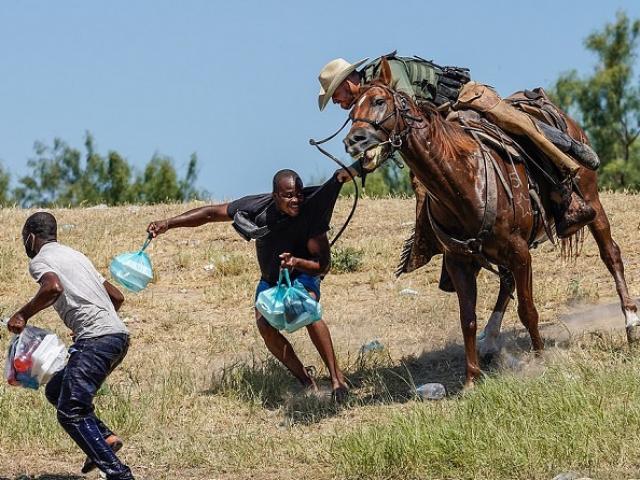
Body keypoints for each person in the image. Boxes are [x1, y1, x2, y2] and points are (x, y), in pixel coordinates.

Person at [317, 53, 601, 240]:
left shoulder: (385, 72)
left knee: (517, 127)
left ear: (348, 82)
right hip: (440, 124)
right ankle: (440, 241)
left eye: (336, 95)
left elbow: (406, 116)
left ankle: (566, 176)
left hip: (463, 100)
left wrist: (362, 163)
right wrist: (358, 164)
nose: (338, 103)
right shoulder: (367, 103)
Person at [147, 168, 356, 400]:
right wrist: (168, 223)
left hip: (303, 274)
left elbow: (323, 266)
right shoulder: (257, 207)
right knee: (265, 327)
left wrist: (296, 262)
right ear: (275, 195)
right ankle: (306, 381)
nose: (296, 200)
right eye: (288, 196)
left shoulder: (311, 213)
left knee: (305, 309)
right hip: (270, 280)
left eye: (298, 194)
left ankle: (338, 380)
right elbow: (209, 214)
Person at [7, 212, 134, 480]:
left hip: (97, 340)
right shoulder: (76, 256)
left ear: (30, 237)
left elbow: (53, 288)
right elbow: (117, 296)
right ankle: (104, 438)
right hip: (117, 337)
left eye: (24, 239)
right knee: (57, 389)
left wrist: (22, 315)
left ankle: (119, 474)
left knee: (71, 412)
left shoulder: (41, 260)